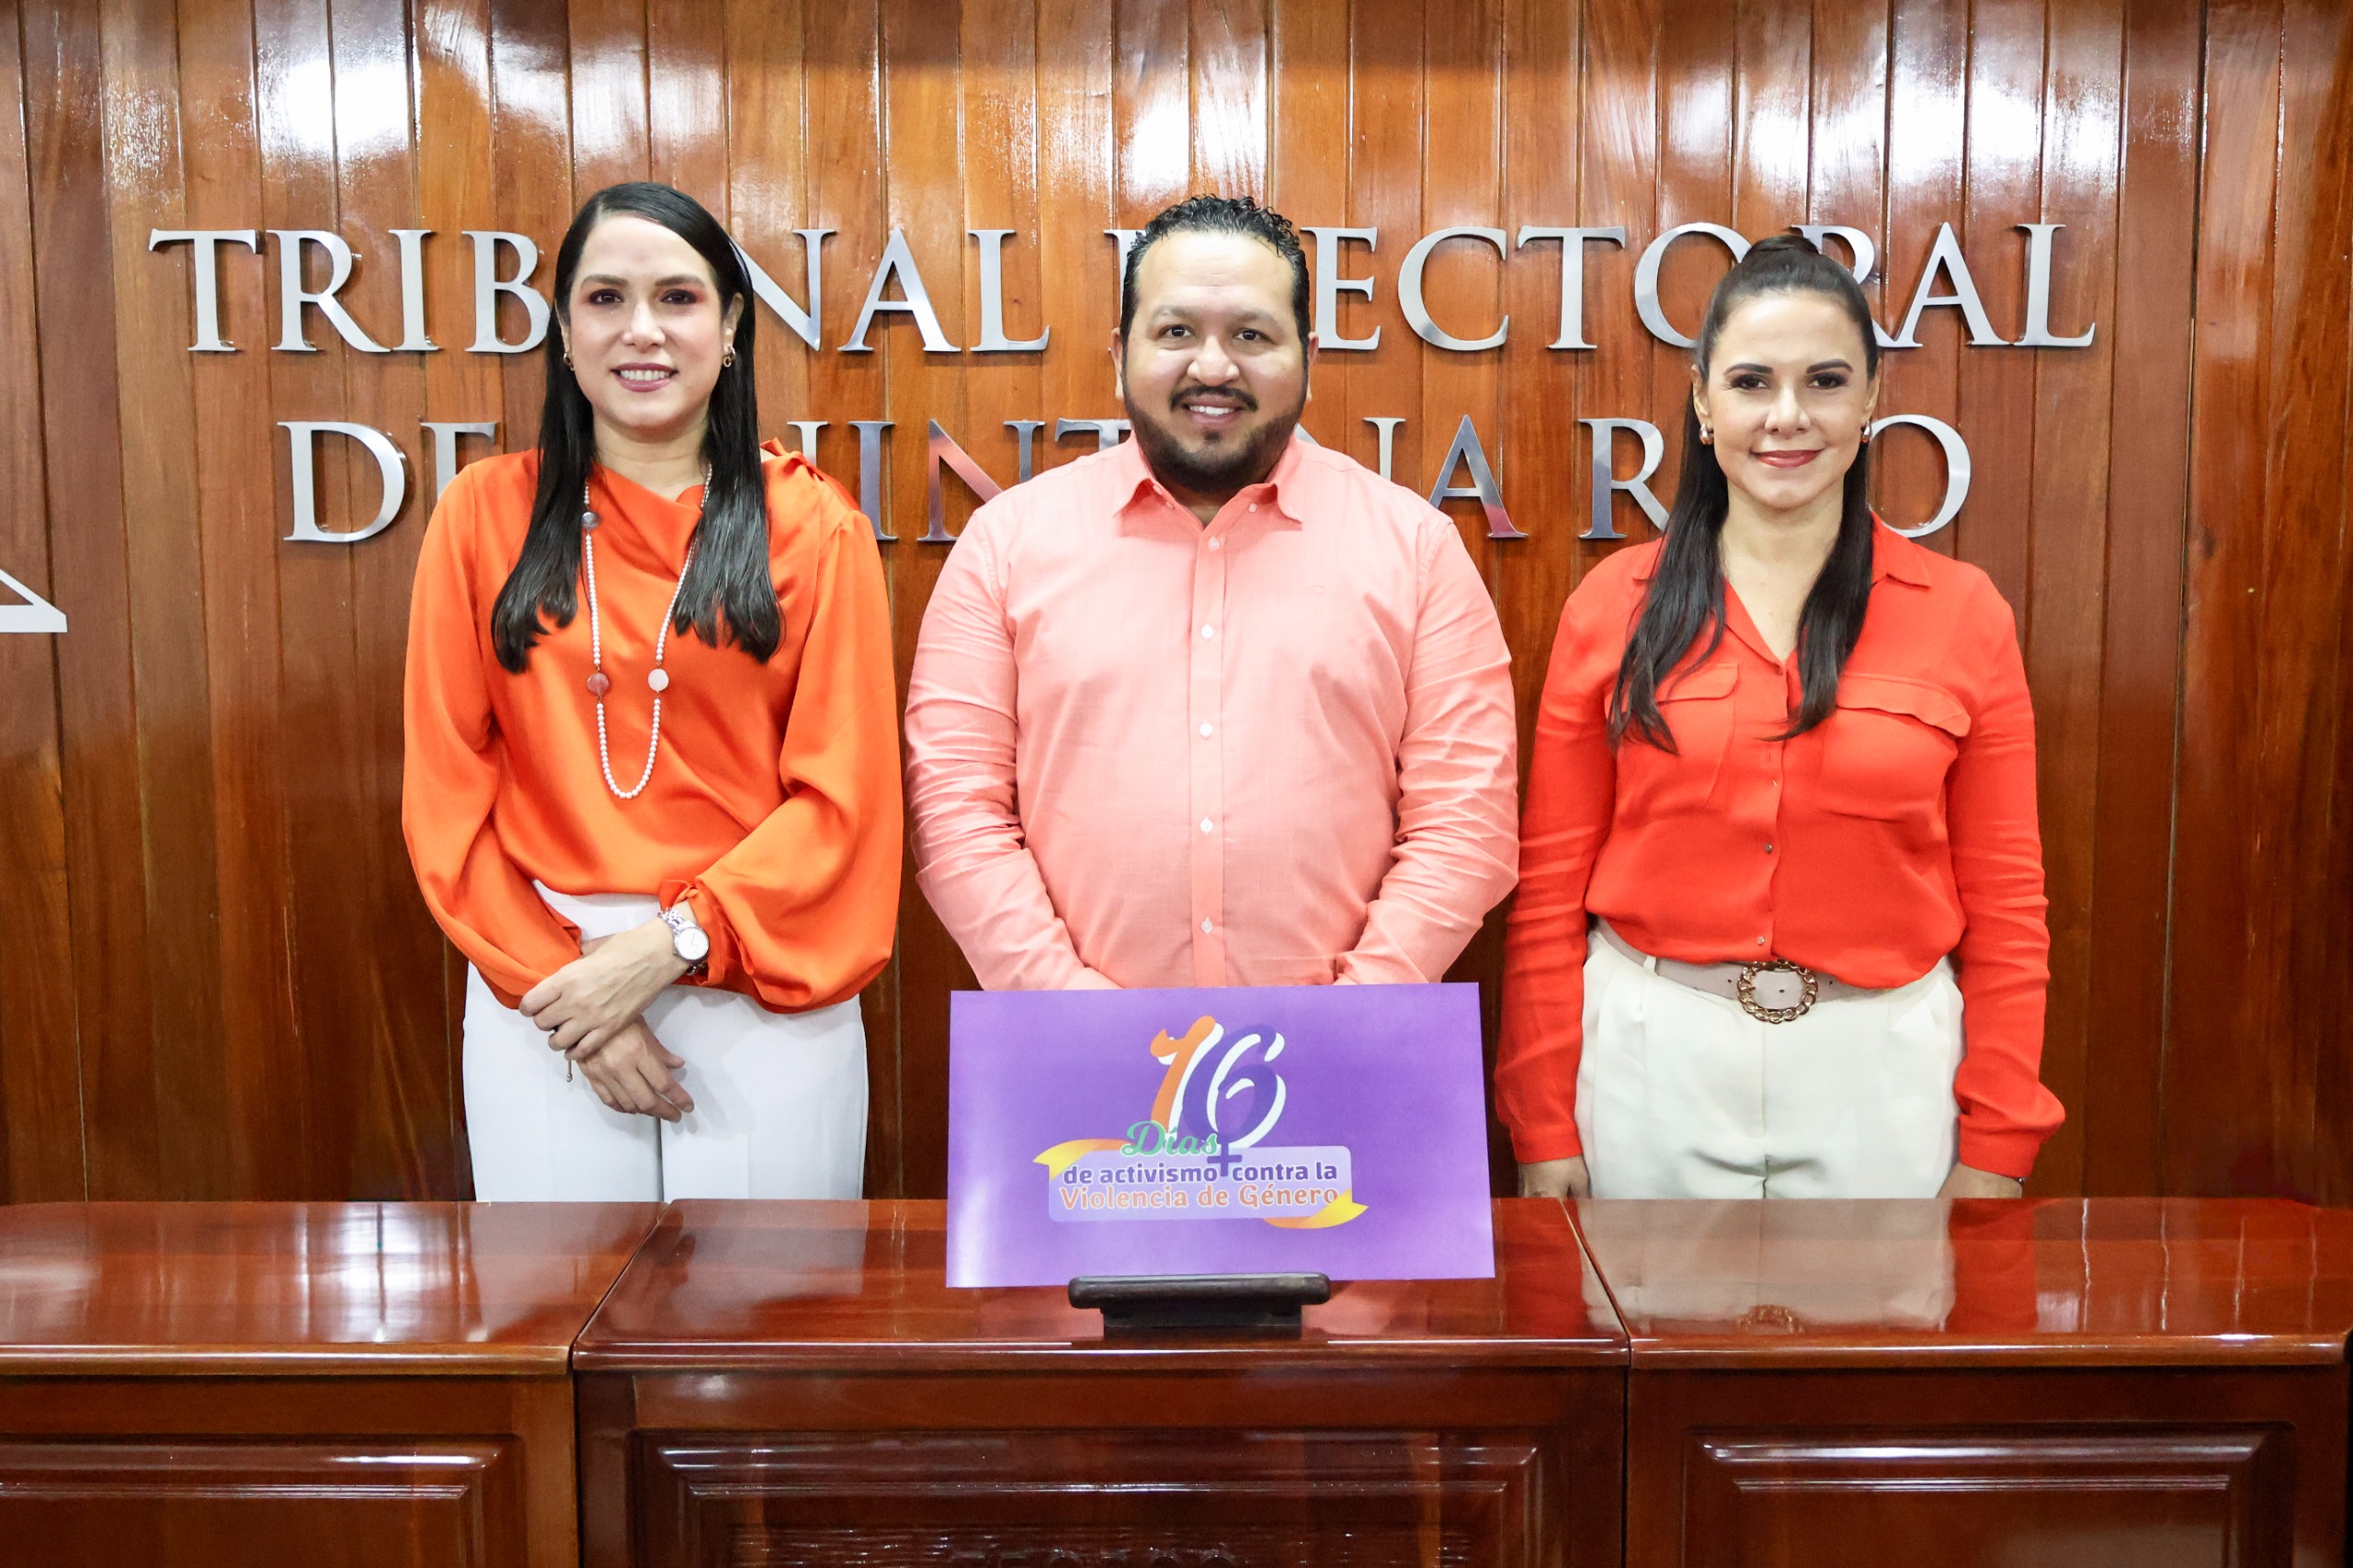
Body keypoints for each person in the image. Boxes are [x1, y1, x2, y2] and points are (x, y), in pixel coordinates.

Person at [1495, 233, 2062, 1201]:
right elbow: (1548, 893)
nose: (1787, 416)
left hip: (1884, 1072)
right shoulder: (1611, 606)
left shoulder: (1964, 612)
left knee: (1883, 1308)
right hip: (1649, 1064)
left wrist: (1997, 1141)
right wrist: (1542, 1121)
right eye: (1751, 382)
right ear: (1703, 403)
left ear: (1870, 399)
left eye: (1825, 381)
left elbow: (2009, 904)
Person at [402, 182, 899, 1201]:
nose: (642, 330)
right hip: (544, 990)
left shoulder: (816, 529)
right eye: (605, 299)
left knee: (761, 1301)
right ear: (563, 330)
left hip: (762, 977)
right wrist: (570, 984)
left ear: (731, 327)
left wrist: (668, 945)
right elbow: (448, 798)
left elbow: (842, 802)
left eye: (678, 297)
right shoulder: (481, 516)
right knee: (559, 1293)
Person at [904, 194, 1518, 991]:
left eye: (1252, 335)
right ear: (1121, 352)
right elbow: (957, 811)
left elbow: (1464, 825)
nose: (1214, 367)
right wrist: (1071, 1013)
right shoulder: (1005, 546)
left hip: (1344, 1047)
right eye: (1176, 332)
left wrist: (1350, 1019)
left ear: (1309, 356)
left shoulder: (1418, 550)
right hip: (1071, 1045)